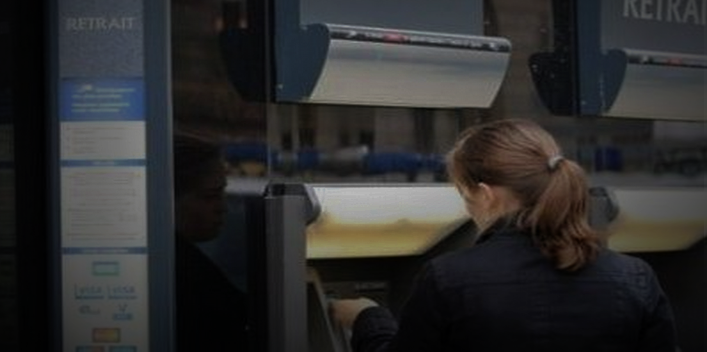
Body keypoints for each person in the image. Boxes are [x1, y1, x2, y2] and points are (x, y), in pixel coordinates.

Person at [329, 118, 677, 352]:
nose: (468, 209)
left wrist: (368, 318)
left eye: (464, 196)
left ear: (485, 194)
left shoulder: (449, 278)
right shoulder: (634, 278)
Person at [173, 132, 249, 351]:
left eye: (222, 194)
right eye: (210, 196)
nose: (223, 208)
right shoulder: (185, 278)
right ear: (168, 199)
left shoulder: (181, 262)